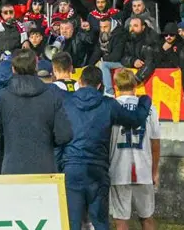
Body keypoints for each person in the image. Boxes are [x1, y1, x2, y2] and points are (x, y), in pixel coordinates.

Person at [62, 67, 151, 230]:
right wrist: (145, 101)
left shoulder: (66, 103)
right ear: (99, 85)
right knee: (100, 222)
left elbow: (58, 136)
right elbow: (136, 120)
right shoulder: (108, 104)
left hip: (72, 167)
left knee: (72, 222)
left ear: (80, 82)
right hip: (98, 170)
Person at [0, 49, 73, 174]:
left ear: (13, 69)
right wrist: (46, 142)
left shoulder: (2, 97)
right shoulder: (52, 96)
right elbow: (64, 135)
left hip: (12, 166)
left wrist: (11, 143)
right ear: (36, 66)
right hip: (45, 167)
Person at [110, 69, 162, 230]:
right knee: (146, 218)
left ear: (116, 85)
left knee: (121, 220)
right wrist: (154, 170)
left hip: (118, 168)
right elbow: (155, 143)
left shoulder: (110, 107)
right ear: (135, 84)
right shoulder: (150, 108)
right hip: (143, 168)